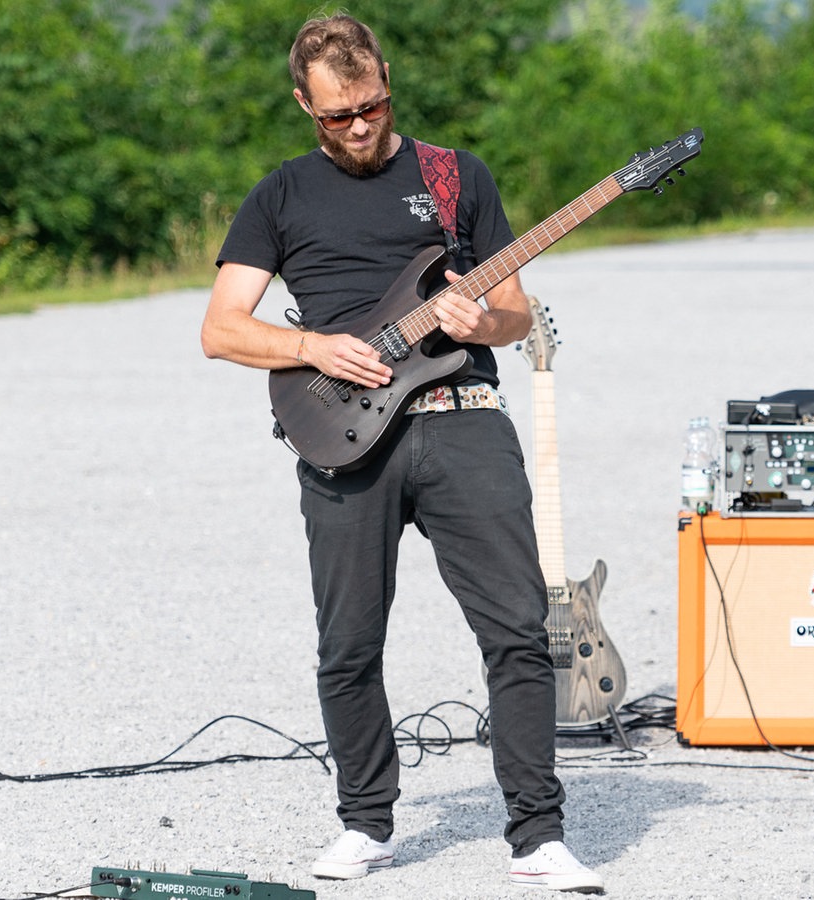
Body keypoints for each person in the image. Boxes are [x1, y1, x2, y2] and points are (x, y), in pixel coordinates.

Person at [198, 13, 604, 896]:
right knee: (347, 645)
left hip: (463, 418)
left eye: (372, 107)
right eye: (337, 116)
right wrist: (312, 349)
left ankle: (537, 834)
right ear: (304, 103)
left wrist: (478, 319)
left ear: (387, 82)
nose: (358, 127)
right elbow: (221, 330)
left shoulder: (455, 178)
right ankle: (365, 823)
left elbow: (516, 313)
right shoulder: (280, 195)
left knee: (516, 630)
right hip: (342, 433)